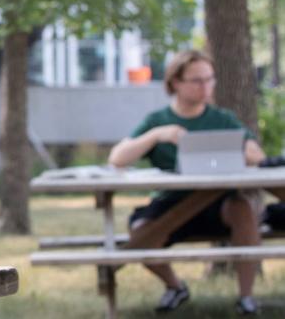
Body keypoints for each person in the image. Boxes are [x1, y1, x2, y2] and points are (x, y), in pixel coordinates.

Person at [107, 50, 265, 315]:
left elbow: (257, 156)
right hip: (170, 203)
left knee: (244, 209)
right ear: (176, 83)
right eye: (197, 80)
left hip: (218, 204)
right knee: (141, 230)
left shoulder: (221, 119)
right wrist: (157, 136)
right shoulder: (158, 120)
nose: (205, 87)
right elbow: (117, 158)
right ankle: (175, 286)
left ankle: (246, 298)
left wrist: (225, 151)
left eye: (209, 79)